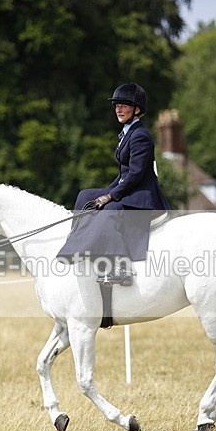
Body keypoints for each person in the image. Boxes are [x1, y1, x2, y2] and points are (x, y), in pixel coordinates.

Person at [56, 82, 171, 286]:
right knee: (85, 195)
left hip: (142, 196)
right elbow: (122, 175)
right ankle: (77, 244)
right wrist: (107, 191)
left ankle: (121, 267)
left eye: (124, 105)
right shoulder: (127, 133)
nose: (118, 108)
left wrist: (110, 195)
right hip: (130, 189)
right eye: (117, 105)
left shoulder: (140, 136)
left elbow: (135, 174)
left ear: (137, 109)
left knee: (109, 211)